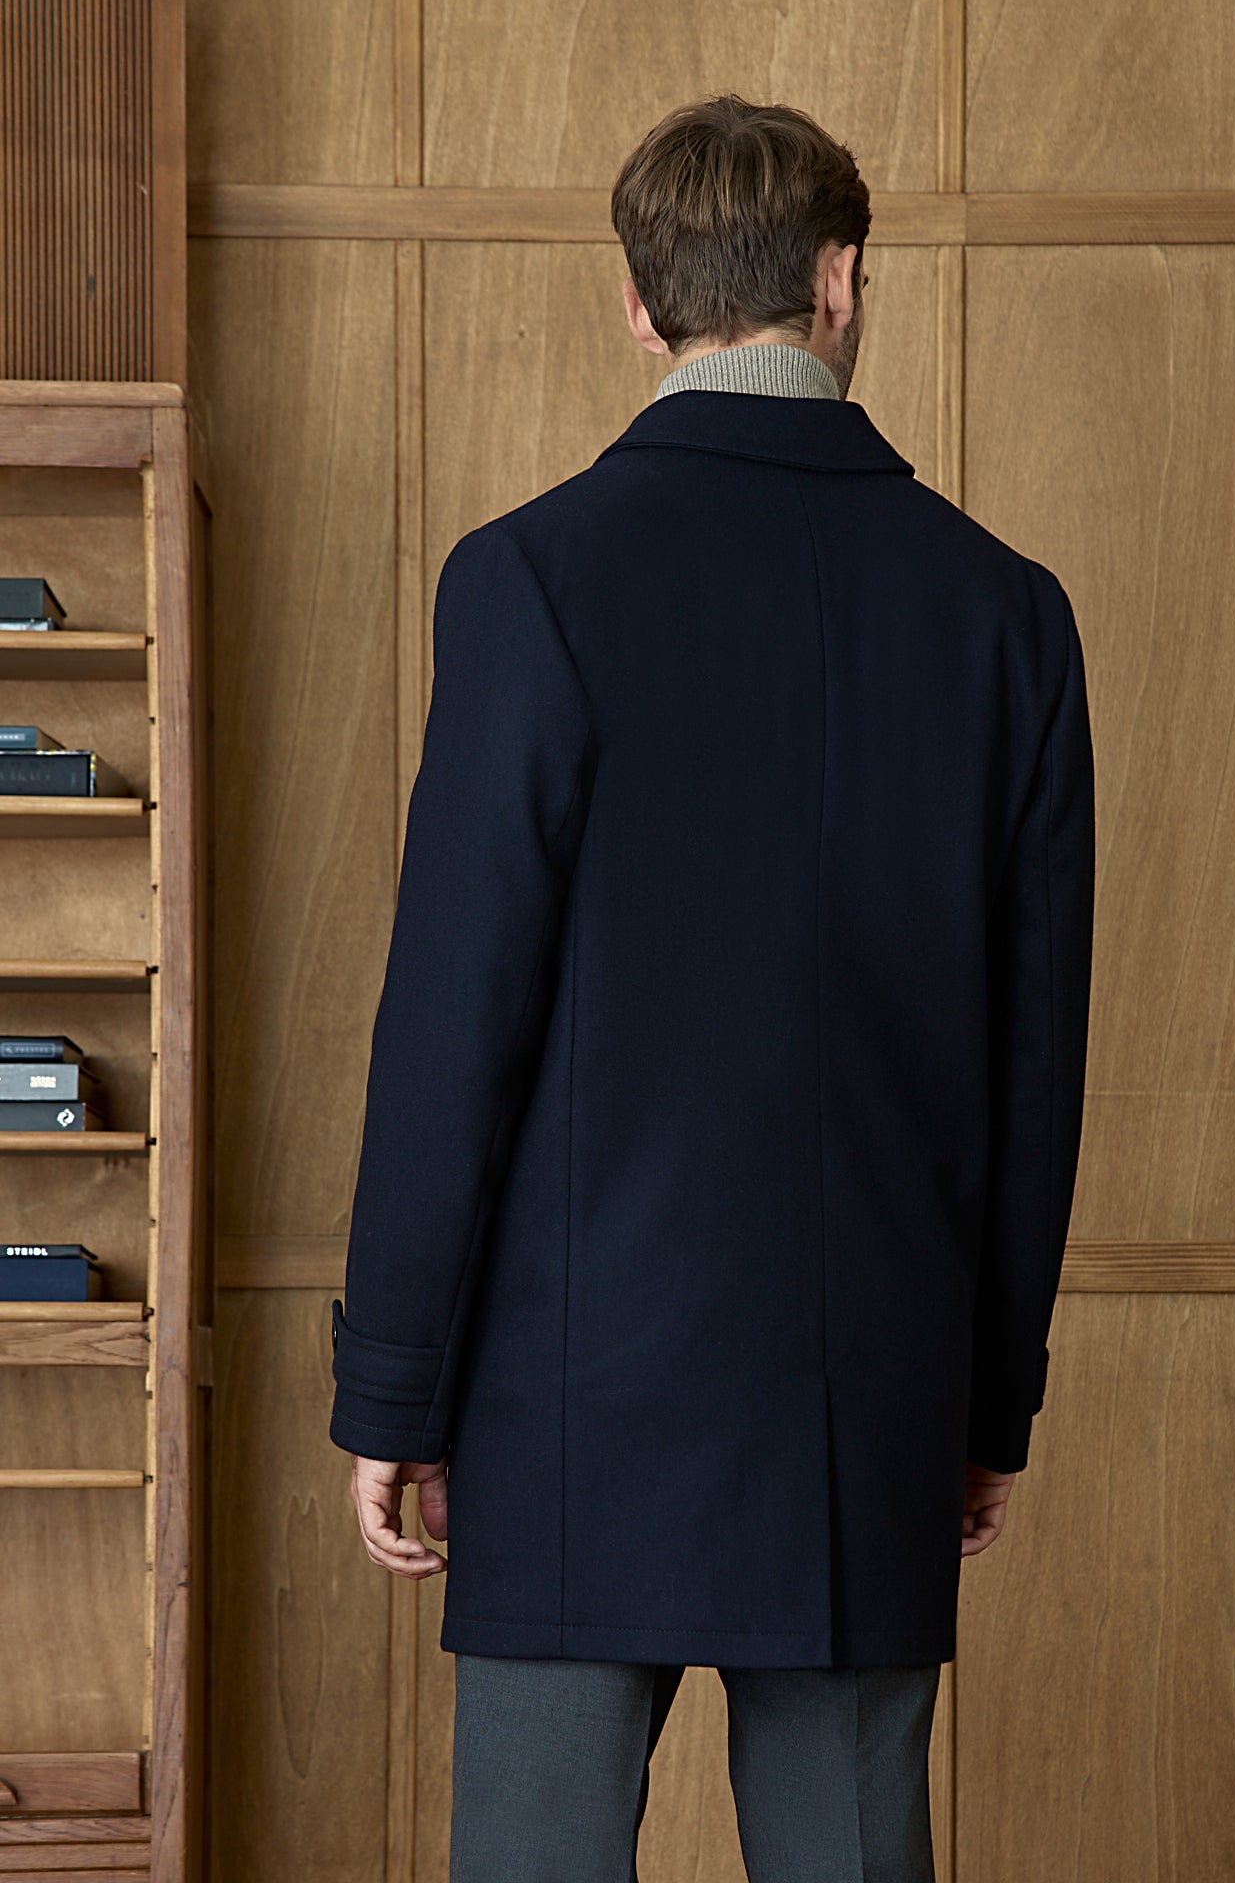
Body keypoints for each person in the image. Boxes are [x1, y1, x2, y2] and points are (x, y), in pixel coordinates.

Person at [328, 92, 1095, 1882]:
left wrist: (394, 1396)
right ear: (840, 281)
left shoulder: (531, 580)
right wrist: (986, 1401)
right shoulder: (1003, 614)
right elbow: (1030, 1061)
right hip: (868, 1392)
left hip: (564, 1397)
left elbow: (451, 1019)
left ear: (636, 303)